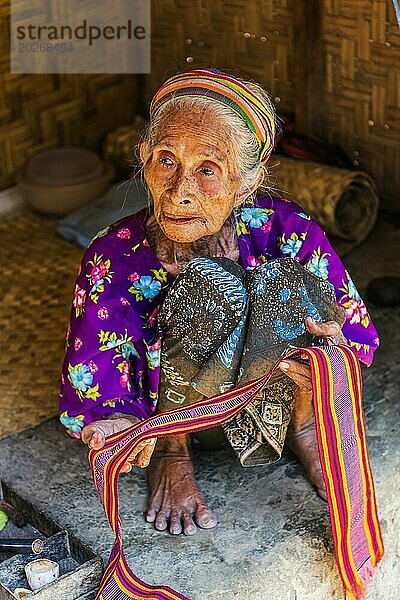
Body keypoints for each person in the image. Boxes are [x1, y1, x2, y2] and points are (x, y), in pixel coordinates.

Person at [60, 69, 379, 537]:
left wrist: (327, 360)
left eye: (207, 170)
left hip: (275, 407)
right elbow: (96, 381)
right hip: (181, 421)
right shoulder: (112, 256)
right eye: (166, 160)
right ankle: (174, 454)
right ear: (145, 160)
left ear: (246, 183)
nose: (180, 189)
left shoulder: (287, 229)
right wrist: (116, 424)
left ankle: (307, 430)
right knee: (206, 286)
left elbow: (353, 337)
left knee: (289, 284)